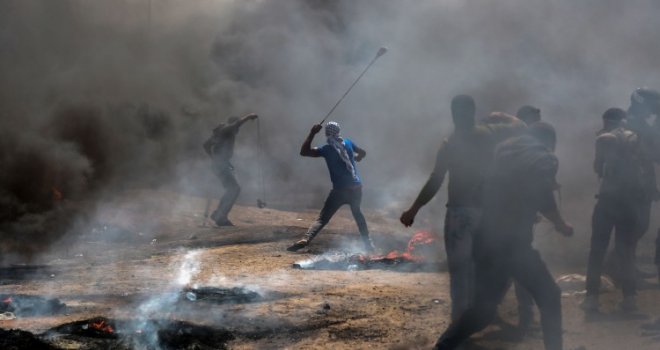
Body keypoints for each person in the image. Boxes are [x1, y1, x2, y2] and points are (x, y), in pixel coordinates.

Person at [434, 122, 574, 350]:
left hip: (486, 241)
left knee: (483, 311)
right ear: (549, 141)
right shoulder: (543, 156)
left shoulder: (503, 153)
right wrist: (560, 224)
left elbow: (480, 195)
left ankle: (444, 346)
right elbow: (543, 195)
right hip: (514, 246)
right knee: (550, 297)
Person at [400, 96, 525, 322]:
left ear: (453, 113)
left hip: (461, 213)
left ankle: (460, 321)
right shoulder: (491, 132)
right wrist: (503, 116)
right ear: (473, 112)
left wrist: (413, 209)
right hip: (488, 213)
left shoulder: (451, 143)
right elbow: (521, 127)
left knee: (460, 272)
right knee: (485, 267)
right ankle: (485, 313)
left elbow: (436, 179)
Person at [582, 108, 652, 313]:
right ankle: (630, 298)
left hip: (608, 201)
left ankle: (592, 299)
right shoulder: (635, 137)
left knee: (597, 250)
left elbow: (597, 168)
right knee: (627, 251)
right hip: (630, 202)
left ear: (606, 121)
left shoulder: (604, 138)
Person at [287, 121, 374, 252]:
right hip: (356, 188)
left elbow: (304, 152)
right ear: (339, 131)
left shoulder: (326, 149)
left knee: (322, 219)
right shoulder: (349, 143)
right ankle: (368, 243)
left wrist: (312, 133)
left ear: (326, 133)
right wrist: (358, 158)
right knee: (358, 214)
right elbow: (363, 152)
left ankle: (306, 238)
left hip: (339, 191)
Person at [627, 88, 660, 283]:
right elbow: (656, 153)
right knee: (635, 226)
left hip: (638, 182)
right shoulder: (636, 125)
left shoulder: (634, 122)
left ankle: (625, 267)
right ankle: (624, 270)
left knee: (637, 226)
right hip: (636, 184)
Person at [203, 113, 258, 226]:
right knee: (234, 189)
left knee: (231, 189)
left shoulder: (222, 131)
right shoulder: (228, 129)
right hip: (220, 165)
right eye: (237, 128)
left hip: (220, 164)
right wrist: (249, 116)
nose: (237, 131)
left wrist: (215, 158)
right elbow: (238, 123)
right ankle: (220, 216)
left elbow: (206, 145)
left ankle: (219, 213)